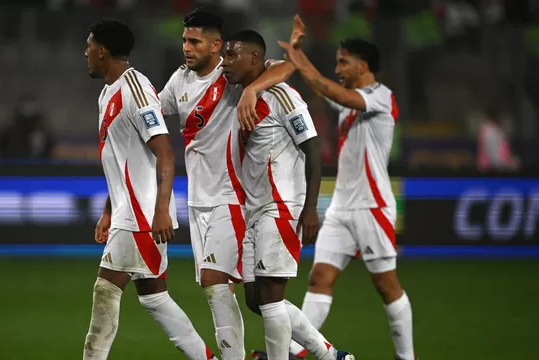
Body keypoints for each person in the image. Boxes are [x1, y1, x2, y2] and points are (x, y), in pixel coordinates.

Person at [273, 15, 415, 360]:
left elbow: (325, 88)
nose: (338, 68)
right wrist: (296, 52)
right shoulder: (351, 99)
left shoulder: (381, 96)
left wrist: (299, 61)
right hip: (340, 208)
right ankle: (295, 352)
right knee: (318, 279)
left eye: (343, 62)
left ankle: (407, 357)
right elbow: (323, 87)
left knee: (386, 286)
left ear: (362, 64)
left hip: (372, 207)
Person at [159, 9, 295, 360]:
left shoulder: (232, 74)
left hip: (231, 194)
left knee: (214, 282)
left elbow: (285, 66)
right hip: (197, 198)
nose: (186, 48)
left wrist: (253, 90)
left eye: (195, 41)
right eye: (184, 40)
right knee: (253, 296)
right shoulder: (180, 81)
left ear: (216, 45)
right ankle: (318, 351)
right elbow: (154, 116)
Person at [82, 19, 218, 360]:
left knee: (106, 290)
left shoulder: (135, 89)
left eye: (88, 47)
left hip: (143, 214)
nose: (85, 53)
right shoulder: (107, 92)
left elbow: (164, 150)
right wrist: (109, 210)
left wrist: (160, 210)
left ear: (102, 51)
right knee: (154, 297)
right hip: (130, 211)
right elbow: (122, 161)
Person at [221, 28, 355, 360]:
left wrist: (310, 209)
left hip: (281, 206)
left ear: (254, 58)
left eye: (231, 55)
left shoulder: (283, 97)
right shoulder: (247, 95)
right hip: (255, 210)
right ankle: (329, 355)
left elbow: (312, 150)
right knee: (257, 299)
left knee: (272, 297)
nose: (225, 62)